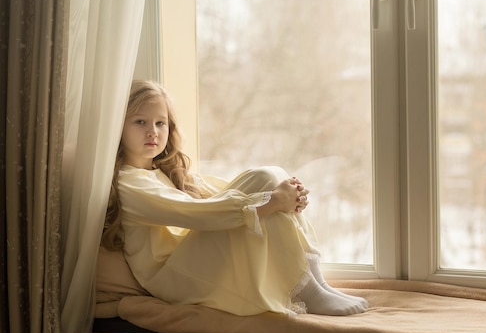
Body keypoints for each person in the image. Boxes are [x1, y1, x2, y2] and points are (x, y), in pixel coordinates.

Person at [101, 79, 368, 317]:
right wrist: (274, 201)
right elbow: (196, 214)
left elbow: (221, 193)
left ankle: (317, 285)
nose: (153, 132)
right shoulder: (129, 183)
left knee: (269, 175)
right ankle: (310, 291)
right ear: (119, 127)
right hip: (171, 279)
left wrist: (286, 196)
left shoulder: (163, 171)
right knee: (265, 185)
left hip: (188, 263)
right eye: (140, 122)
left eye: (160, 123)